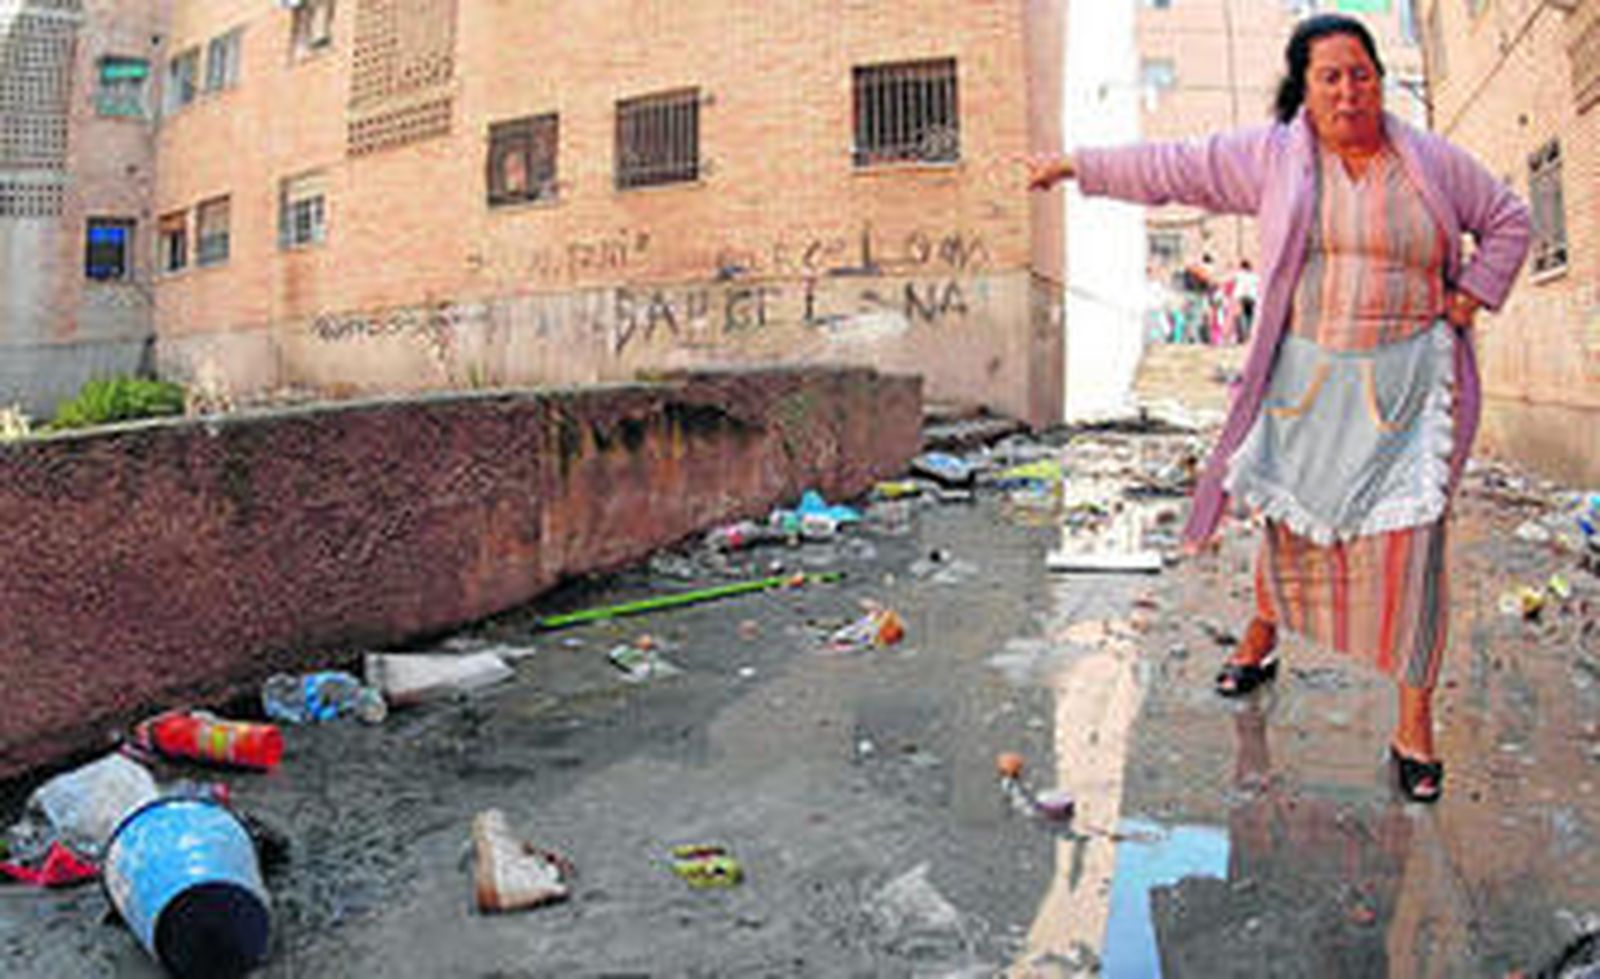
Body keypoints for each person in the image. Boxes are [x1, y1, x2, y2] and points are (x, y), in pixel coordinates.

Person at [1027, 14, 1531, 803]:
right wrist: (1075, 165)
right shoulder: (1274, 155)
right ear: (1305, 88)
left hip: (1408, 390)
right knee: (1291, 530)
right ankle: (1261, 640)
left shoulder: (1429, 158)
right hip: (1308, 387)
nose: (1348, 90)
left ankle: (1413, 724)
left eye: (1361, 73)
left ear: (1379, 80)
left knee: (1413, 552)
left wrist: (1471, 296)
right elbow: (1177, 165)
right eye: (1330, 76)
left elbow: (1510, 217)